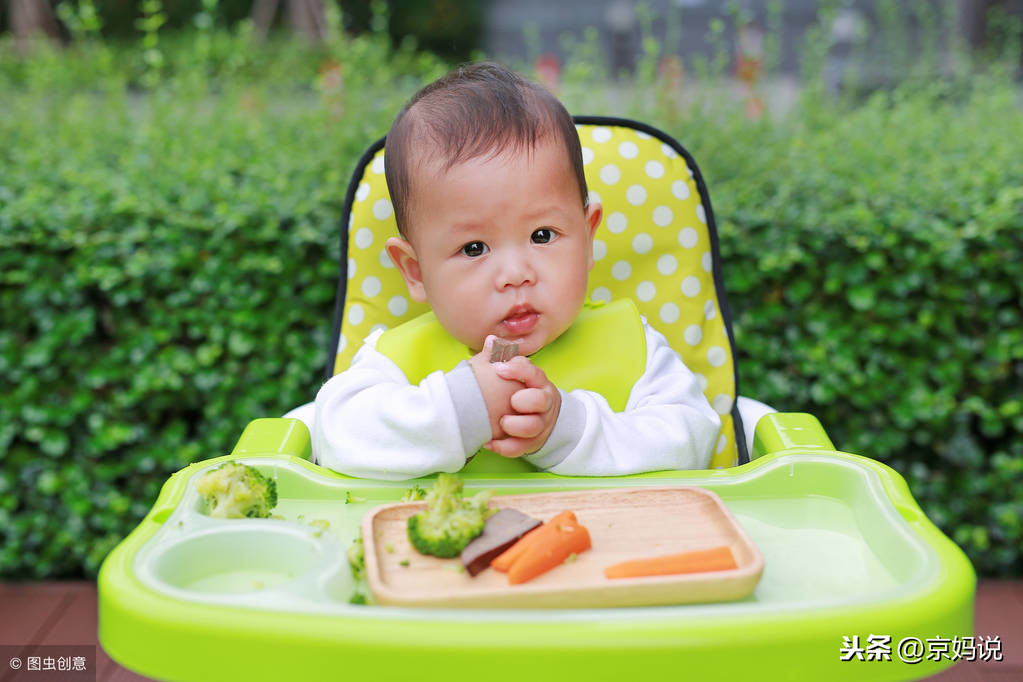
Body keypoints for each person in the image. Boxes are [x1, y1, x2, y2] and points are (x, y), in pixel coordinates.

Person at [312, 62, 720, 480]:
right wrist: (461, 409)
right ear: (415, 271)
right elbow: (331, 439)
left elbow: (695, 439)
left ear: (588, 237)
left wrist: (567, 430)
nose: (515, 274)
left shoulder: (632, 345)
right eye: (474, 248)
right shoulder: (397, 362)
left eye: (542, 235)